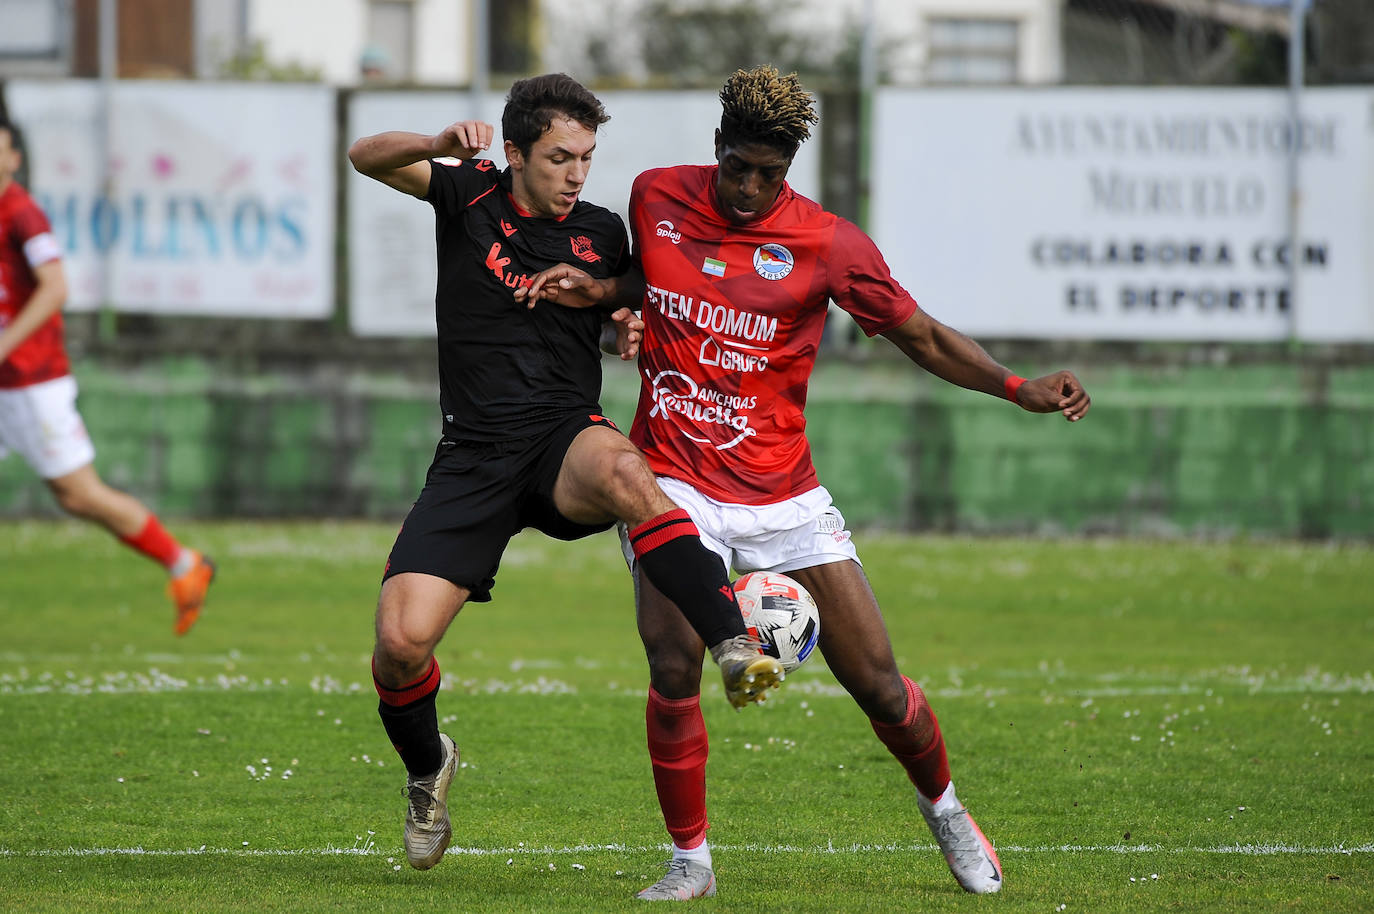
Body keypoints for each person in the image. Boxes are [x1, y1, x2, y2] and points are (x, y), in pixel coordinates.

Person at [518, 65, 1092, 901]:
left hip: (784, 492)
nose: (750, 189)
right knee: (674, 660)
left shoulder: (829, 244)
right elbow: (650, 284)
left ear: (790, 170)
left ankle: (947, 810)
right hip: (671, 477)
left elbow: (922, 337)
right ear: (715, 149)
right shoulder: (654, 196)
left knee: (880, 685)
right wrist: (612, 298)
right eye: (738, 168)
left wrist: (1018, 388)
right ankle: (691, 861)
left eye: (770, 175)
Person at [346, 73, 787, 873]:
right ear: (513, 154)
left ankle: (732, 642)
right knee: (398, 645)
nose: (576, 174)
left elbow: (631, 296)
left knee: (626, 470)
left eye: (586, 156)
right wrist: (439, 145)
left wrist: (623, 318)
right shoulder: (466, 191)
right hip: (474, 455)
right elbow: (364, 155)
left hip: (559, 437)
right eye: (558, 158)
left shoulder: (601, 229)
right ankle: (426, 769)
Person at [0, 118, 216, 636]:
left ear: (13, 160)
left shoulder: (23, 215)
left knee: (78, 494)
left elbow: (54, 288)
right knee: (76, 494)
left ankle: (185, 562)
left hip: (31, 384)